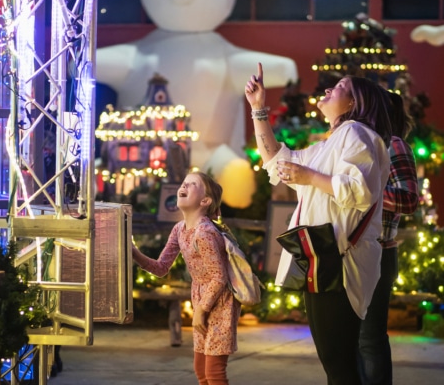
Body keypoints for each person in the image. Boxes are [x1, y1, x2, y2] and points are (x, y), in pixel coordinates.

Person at [245, 62, 391, 385]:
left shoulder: (357, 134)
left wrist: (308, 176)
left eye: (339, 87)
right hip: (322, 261)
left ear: (354, 103)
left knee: (339, 366)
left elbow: (359, 191)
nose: (327, 89)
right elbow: (276, 162)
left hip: (339, 266)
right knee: (338, 364)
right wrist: (258, 110)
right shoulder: (329, 145)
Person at [132, 172, 241, 385]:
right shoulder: (179, 229)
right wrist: (134, 253)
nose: (184, 186)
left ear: (205, 201)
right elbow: (161, 267)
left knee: (214, 372)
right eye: (184, 183)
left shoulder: (205, 232)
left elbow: (219, 277)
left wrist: (200, 310)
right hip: (202, 300)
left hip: (220, 303)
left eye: (192, 184)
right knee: (200, 369)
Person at [358, 91, 419, 385]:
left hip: (380, 251)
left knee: (369, 340)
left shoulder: (393, 145)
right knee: (351, 340)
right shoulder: (358, 146)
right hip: (351, 252)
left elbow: (409, 200)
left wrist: (363, 189)